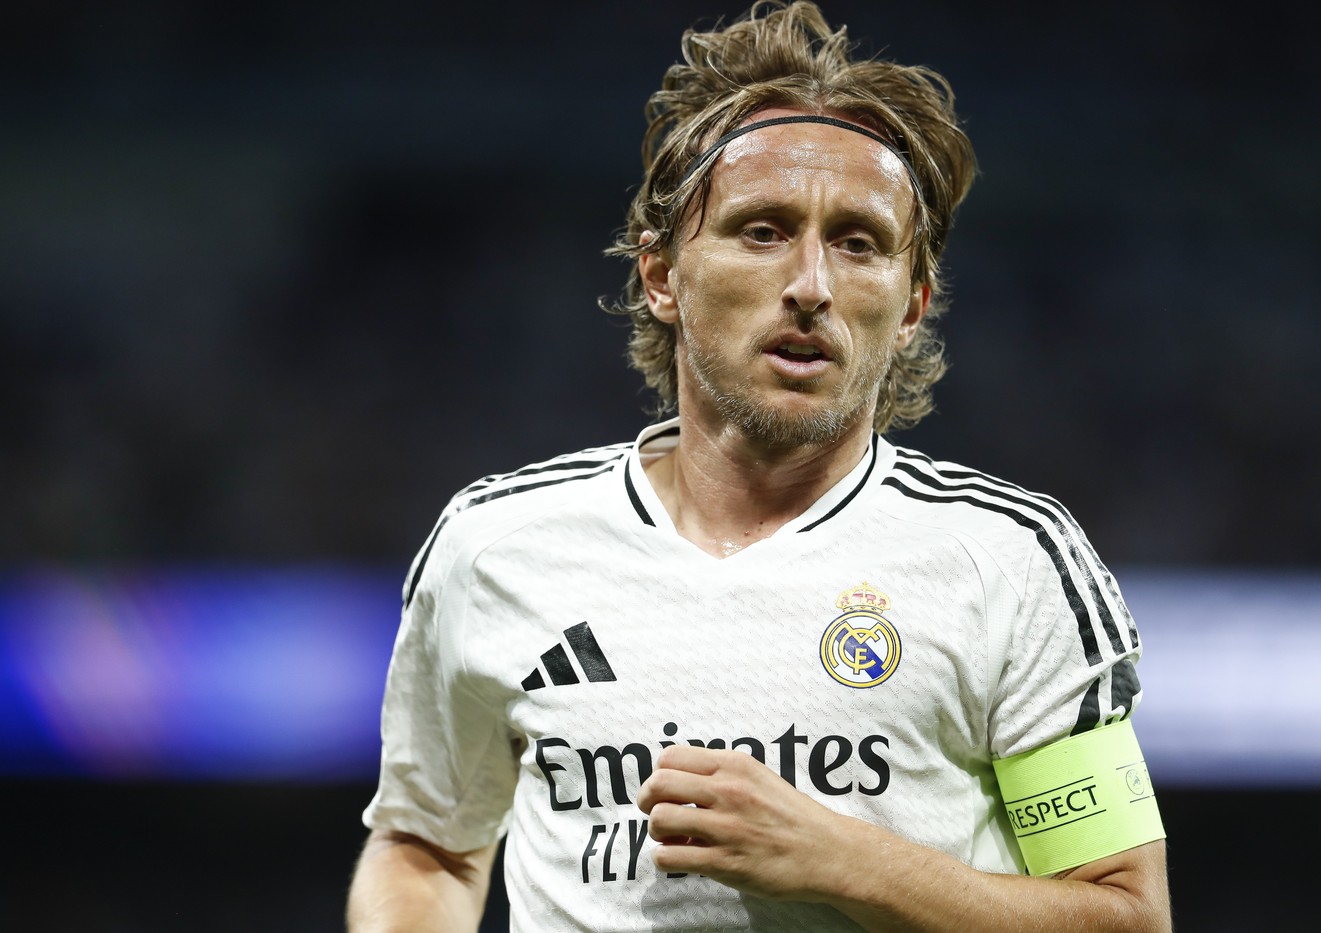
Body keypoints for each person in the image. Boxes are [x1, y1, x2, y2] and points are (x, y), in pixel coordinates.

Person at [346, 2, 1170, 931]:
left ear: (910, 305)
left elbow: (1126, 916)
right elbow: (428, 845)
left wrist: (839, 856)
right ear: (662, 274)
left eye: (858, 242)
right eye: (763, 229)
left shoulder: (1009, 560)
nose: (812, 285)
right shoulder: (497, 546)